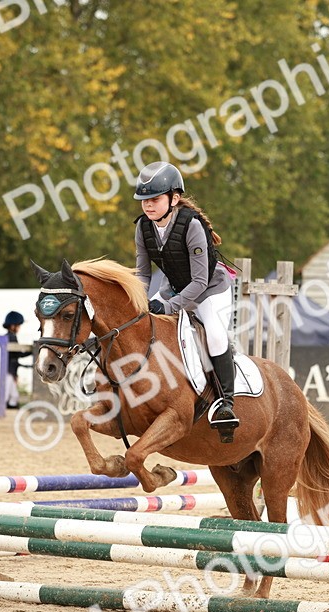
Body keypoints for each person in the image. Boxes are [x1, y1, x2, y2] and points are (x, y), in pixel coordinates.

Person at [133, 161, 238, 438]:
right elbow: (143, 273)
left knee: (214, 334)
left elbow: (200, 282)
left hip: (211, 290)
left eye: (154, 199)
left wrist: (167, 306)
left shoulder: (191, 225)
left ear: (174, 198)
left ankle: (227, 403)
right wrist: (139, 301)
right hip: (175, 287)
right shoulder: (143, 227)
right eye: (144, 200)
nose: (148, 205)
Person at [3, 311, 26, 409]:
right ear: (13, 326)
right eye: (18, 325)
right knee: (8, 394)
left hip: (10, 370)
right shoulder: (11, 337)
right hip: (8, 371)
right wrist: (33, 350)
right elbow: (18, 354)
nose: (19, 328)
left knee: (13, 395)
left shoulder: (8, 336)